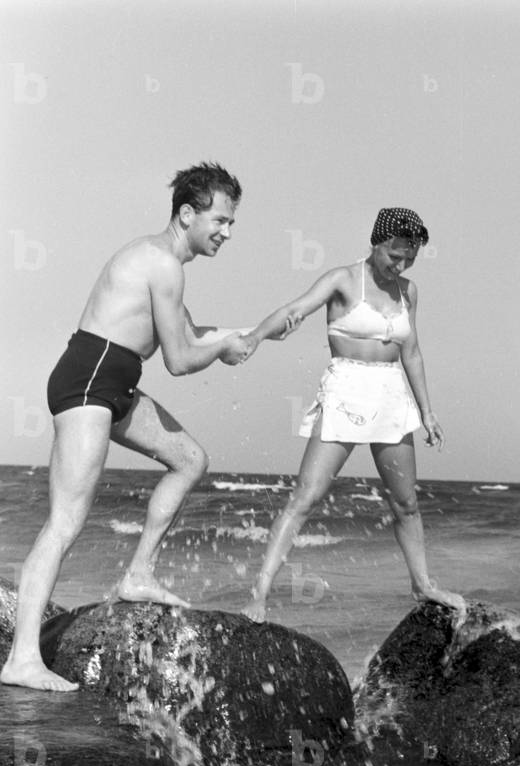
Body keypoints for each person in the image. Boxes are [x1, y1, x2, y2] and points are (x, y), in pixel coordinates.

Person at [2, 162, 266, 692]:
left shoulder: (163, 262)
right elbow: (181, 359)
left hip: (113, 382)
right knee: (65, 521)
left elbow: (194, 333)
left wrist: (258, 332)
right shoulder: (162, 263)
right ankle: (23, 659)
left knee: (190, 459)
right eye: (220, 219)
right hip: (89, 380)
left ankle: (138, 574)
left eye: (232, 222)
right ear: (187, 213)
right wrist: (222, 347)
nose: (227, 232)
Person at [239, 207, 466, 623]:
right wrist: (254, 337)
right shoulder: (343, 279)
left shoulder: (409, 292)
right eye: (394, 255)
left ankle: (422, 584)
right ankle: (260, 593)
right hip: (346, 389)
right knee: (305, 497)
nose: (400, 265)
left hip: (391, 394)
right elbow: (297, 308)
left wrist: (427, 412)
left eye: (409, 259)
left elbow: (411, 351)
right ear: (376, 243)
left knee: (406, 502)